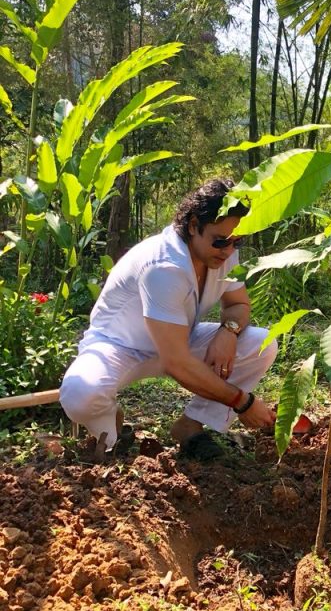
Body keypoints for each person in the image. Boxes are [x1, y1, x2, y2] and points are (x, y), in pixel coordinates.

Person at [60, 177, 277, 456]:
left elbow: (238, 305)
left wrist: (229, 331)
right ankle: (110, 428)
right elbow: (178, 364)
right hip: (119, 347)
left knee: (261, 344)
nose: (229, 250)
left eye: (237, 241)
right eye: (221, 241)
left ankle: (190, 426)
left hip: (177, 339)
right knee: (80, 394)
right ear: (193, 225)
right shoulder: (163, 266)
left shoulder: (223, 253)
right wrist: (242, 402)